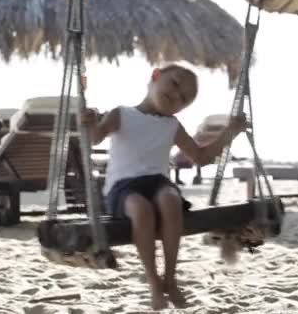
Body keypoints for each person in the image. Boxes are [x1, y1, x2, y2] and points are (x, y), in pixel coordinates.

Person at [81, 64, 246, 310]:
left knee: (171, 200)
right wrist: (88, 122)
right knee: (140, 209)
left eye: (185, 98)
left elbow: (200, 157)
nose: (177, 96)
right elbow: (94, 138)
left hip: (158, 183)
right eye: (175, 84)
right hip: (123, 188)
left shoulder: (172, 125)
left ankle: (170, 277)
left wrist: (228, 134)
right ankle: (153, 282)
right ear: (156, 76)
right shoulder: (121, 114)